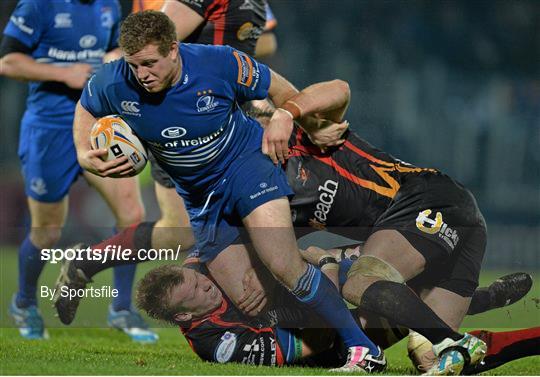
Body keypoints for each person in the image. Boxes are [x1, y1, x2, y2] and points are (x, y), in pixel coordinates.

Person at [68, 10, 383, 373]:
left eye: (150, 63)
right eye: (135, 65)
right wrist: (83, 152)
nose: (143, 75)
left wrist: (307, 124)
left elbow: (281, 91)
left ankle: (363, 348)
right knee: (247, 296)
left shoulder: (219, 63)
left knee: (283, 265)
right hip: (200, 198)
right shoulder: (115, 80)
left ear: (173, 49)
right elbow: (85, 108)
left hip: (246, 168)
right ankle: (328, 339)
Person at [0, 0, 156, 342]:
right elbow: (8, 61)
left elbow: (115, 48)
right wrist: (63, 73)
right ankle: (25, 303)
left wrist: (114, 59)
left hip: (100, 128)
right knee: (48, 232)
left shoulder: (109, 6)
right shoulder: (37, 6)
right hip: (50, 129)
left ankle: (122, 309)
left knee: (132, 215)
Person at [134, 262, 540, 372]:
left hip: (308, 303)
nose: (208, 285)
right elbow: (307, 347)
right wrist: (337, 310)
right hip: (329, 343)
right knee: (400, 307)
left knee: (377, 270)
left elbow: (203, 254)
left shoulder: (206, 275)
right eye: (198, 291)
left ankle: (466, 302)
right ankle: (480, 299)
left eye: (198, 278)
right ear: (186, 315)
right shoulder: (217, 345)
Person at [129, 0, 276, 250]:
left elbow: (266, 42)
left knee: (238, 225)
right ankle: (87, 261)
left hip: (226, 120)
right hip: (180, 122)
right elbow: (148, 49)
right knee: (183, 233)